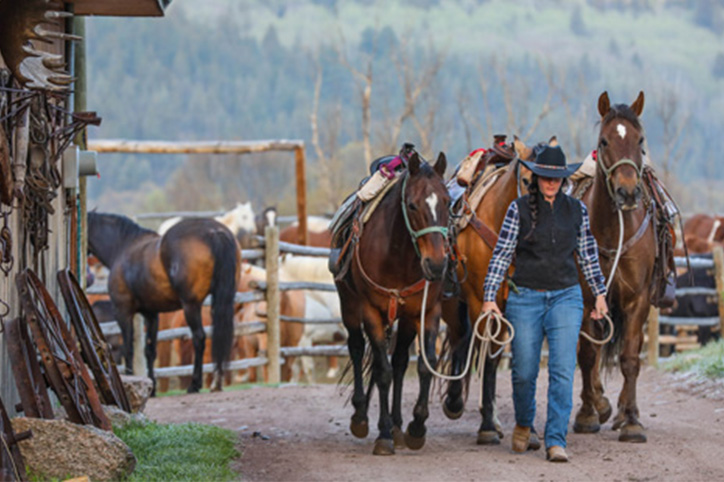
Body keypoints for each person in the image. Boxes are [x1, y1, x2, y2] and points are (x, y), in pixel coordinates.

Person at [481, 144, 609, 463]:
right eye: (544, 177)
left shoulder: (577, 211)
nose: (551, 183)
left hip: (566, 296)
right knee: (524, 370)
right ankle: (525, 422)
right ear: (536, 178)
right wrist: (488, 297)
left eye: (556, 178)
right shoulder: (518, 209)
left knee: (563, 369)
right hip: (525, 296)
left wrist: (600, 294)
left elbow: (589, 255)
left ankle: (555, 439)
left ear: (564, 180)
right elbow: (501, 254)